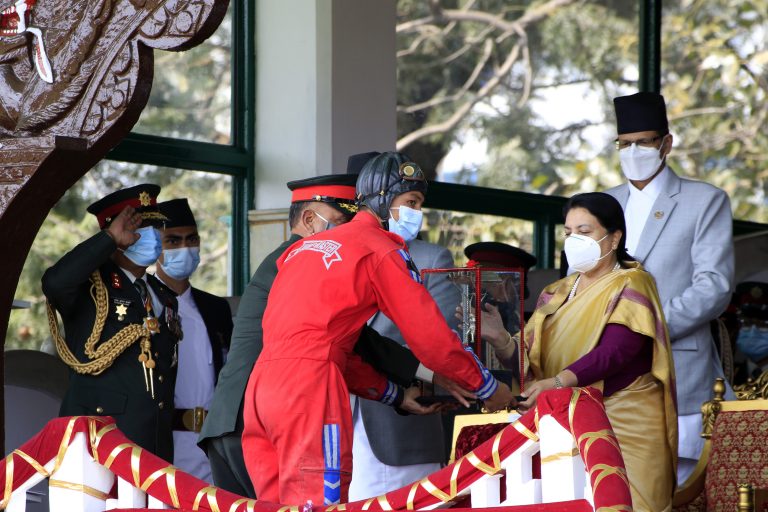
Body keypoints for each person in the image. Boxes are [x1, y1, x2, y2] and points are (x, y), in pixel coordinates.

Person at [242, 151, 514, 506]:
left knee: (275, 504)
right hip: (310, 393)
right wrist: (486, 387)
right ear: (383, 200)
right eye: (411, 201)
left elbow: (334, 348)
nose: (417, 213)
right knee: (318, 502)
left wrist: (393, 394)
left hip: (262, 390)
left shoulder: (300, 251)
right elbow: (431, 339)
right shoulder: (381, 250)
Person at [199, 170, 454, 497]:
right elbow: (362, 342)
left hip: (241, 417)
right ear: (308, 219)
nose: (349, 233)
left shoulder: (288, 261)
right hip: (269, 417)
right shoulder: (295, 262)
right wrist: (430, 374)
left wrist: (398, 394)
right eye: (341, 222)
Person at [480, 192, 677, 511]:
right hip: (563, 424)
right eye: (568, 232)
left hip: (624, 424)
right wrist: (500, 338)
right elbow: (530, 361)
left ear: (614, 237)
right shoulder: (555, 293)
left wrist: (557, 382)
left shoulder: (633, 282)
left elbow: (615, 353)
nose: (574, 240)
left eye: (584, 232)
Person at [605, 91, 734, 483]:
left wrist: (648, 327)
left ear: (666, 144)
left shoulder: (703, 200)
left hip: (679, 370)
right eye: (625, 144)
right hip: (611, 375)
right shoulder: (602, 204)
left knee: (678, 491)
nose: (634, 151)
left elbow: (714, 286)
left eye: (643, 142)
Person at [42, 184, 182, 461]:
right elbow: (54, 282)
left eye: (157, 229)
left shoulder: (163, 295)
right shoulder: (91, 287)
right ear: (119, 233)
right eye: (140, 229)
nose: (153, 237)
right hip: (100, 441)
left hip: (153, 440)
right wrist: (106, 240)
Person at [349, 174, 462, 500]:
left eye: (417, 204)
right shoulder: (340, 255)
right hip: (338, 423)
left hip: (401, 420)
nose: (415, 212)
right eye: (409, 203)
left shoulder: (430, 258)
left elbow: (443, 340)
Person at [154, 198, 231, 482]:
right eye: (172, 241)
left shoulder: (215, 308)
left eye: (191, 239)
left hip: (214, 440)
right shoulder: (145, 303)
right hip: (166, 441)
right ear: (155, 247)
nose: (184, 248)